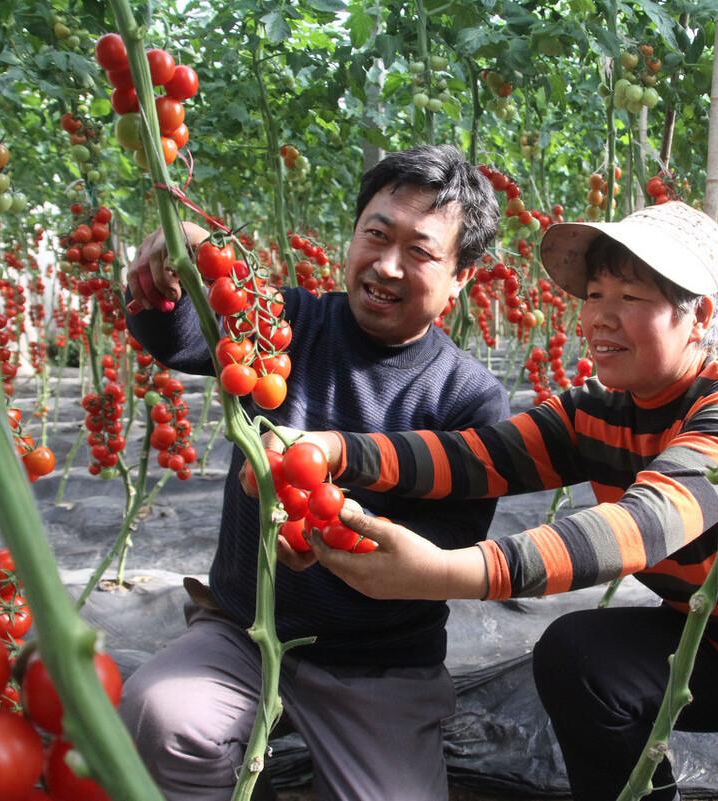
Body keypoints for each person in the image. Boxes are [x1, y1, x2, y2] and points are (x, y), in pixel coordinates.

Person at [270, 201, 718, 801]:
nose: (600, 317)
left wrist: (445, 573)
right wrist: (333, 449)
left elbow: (641, 526)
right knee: (578, 655)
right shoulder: (597, 412)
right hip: (716, 648)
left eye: (632, 298)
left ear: (703, 318)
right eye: (596, 295)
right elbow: (474, 457)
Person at [119, 144, 510, 801]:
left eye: (419, 251)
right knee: (160, 716)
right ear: (352, 235)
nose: (386, 266)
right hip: (244, 627)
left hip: (377, 663)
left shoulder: (469, 401)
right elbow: (181, 333)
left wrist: (331, 533)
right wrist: (174, 260)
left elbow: (441, 550)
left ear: (460, 276)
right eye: (375, 235)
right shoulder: (282, 324)